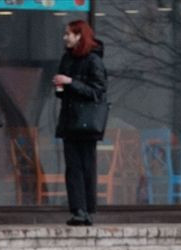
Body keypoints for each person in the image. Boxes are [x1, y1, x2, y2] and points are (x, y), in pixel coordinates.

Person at [53, 20, 107, 226]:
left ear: (79, 36)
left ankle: (87, 210)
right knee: (72, 166)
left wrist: (70, 83)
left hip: (87, 121)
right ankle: (77, 209)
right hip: (69, 119)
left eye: (69, 34)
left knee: (86, 166)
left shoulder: (93, 60)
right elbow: (64, 91)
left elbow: (97, 92)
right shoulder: (67, 59)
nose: (65, 37)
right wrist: (60, 87)